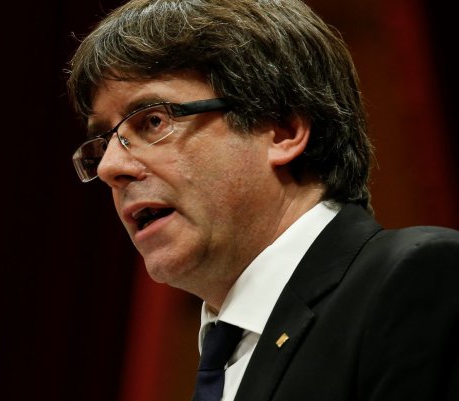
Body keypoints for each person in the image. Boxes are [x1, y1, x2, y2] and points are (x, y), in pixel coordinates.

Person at [65, 0, 459, 400]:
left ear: (282, 130)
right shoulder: (227, 353)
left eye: (153, 120)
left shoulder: (419, 280)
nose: (111, 166)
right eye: (103, 141)